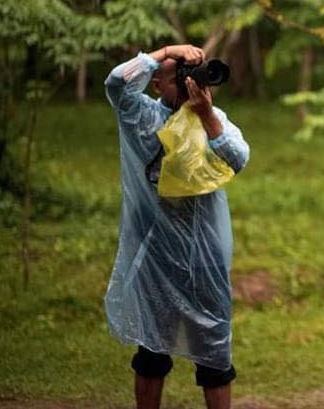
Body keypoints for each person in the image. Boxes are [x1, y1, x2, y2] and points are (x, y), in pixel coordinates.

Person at [104, 44, 250, 409]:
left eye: (193, 76)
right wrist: (165, 52)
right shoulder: (142, 117)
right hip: (156, 255)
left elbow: (238, 158)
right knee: (152, 353)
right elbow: (116, 83)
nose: (189, 84)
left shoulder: (213, 117)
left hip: (206, 257)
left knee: (215, 354)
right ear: (157, 84)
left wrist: (207, 116)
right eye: (179, 78)